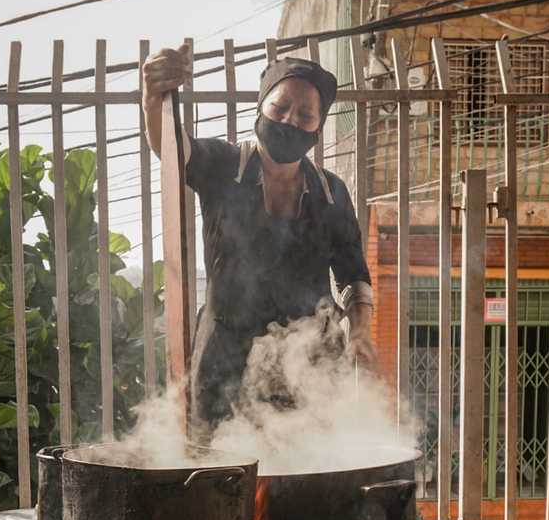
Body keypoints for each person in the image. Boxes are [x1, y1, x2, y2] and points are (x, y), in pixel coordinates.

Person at [142, 44, 375, 435]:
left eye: (305, 115)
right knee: (222, 473)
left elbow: (353, 273)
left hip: (311, 361)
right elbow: (172, 150)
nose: (290, 120)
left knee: (307, 475)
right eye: (280, 107)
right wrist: (153, 97)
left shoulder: (331, 191)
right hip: (224, 356)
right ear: (261, 108)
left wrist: (362, 332)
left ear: (317, 129)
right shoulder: (222, 166)